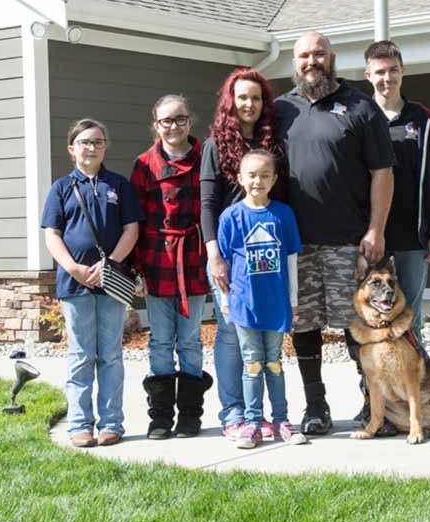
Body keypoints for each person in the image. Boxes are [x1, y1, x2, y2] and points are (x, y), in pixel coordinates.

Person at [276, 31, 395, 435]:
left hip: (352, 242)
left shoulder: (361, 107)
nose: (312, 61)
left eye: (319, 54)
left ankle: (371, 405)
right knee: (304, 326)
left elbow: (383, 172)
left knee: (358, 327)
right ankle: (315, 408)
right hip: (297, 244)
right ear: (295, 62)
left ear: (332, 58)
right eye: (305, 55)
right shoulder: (280, 111)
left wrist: (376, 229)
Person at [41, 118, 142, 448]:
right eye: (85, 142)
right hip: (75, 286)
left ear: (104, 147)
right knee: (81, 355)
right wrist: (72, 268)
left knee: (111, 354)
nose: (92, 147)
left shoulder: (119, 186)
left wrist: (109, 263)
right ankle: (80, 425)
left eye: (98, 141)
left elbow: (132, 229)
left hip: (110, 282)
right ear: (72, 149)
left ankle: (112, 423)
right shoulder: (61, 188)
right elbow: (52, 234)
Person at [201, 68, 287, 442]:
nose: (249, 104)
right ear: (230, 103)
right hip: (229, 255)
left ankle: (264, 415)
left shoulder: (274, 143)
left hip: (266, 252)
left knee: (263, 336)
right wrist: (214, 256)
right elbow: (206, 205)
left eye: (255, 97)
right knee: (232, 333)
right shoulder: (215, 145)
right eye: (242, 98)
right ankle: (234, 413)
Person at [131, 95, 212, 440]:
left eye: (180, 119)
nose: (174, 126)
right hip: (156, 260)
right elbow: (134, 219)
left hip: (193, 257)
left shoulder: (206, 156)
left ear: (189, 121)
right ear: (156, 125)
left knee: (191, 341)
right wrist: (135, 269)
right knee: (160, 342)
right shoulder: (144, 163)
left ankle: (191, 416)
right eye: (167, 120)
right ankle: (160, 417)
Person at [216, 150, 307, 448]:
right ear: (240, 178)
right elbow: (223, 266)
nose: (258, 180)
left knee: (274, 362)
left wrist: (293, 300)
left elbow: (291, 259)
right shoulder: (231, 216)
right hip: (244, 305)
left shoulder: (284, 214)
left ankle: (281, 420)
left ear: (274, 179)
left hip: (276, 304)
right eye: (252, 175)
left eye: (264, 175)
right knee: (252, 364)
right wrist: (225, 300)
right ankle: (253, 423)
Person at [365, 40, 430, 343]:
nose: (387, 78)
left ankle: (415, 387)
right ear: (368, 75)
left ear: (403, 72)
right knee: (375, 316)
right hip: (372, 237)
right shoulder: (361, 118)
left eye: (393, 70)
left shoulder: (422, 119)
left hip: (413, 236)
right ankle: (375, 389)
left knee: (410, 317)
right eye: (380, 72)